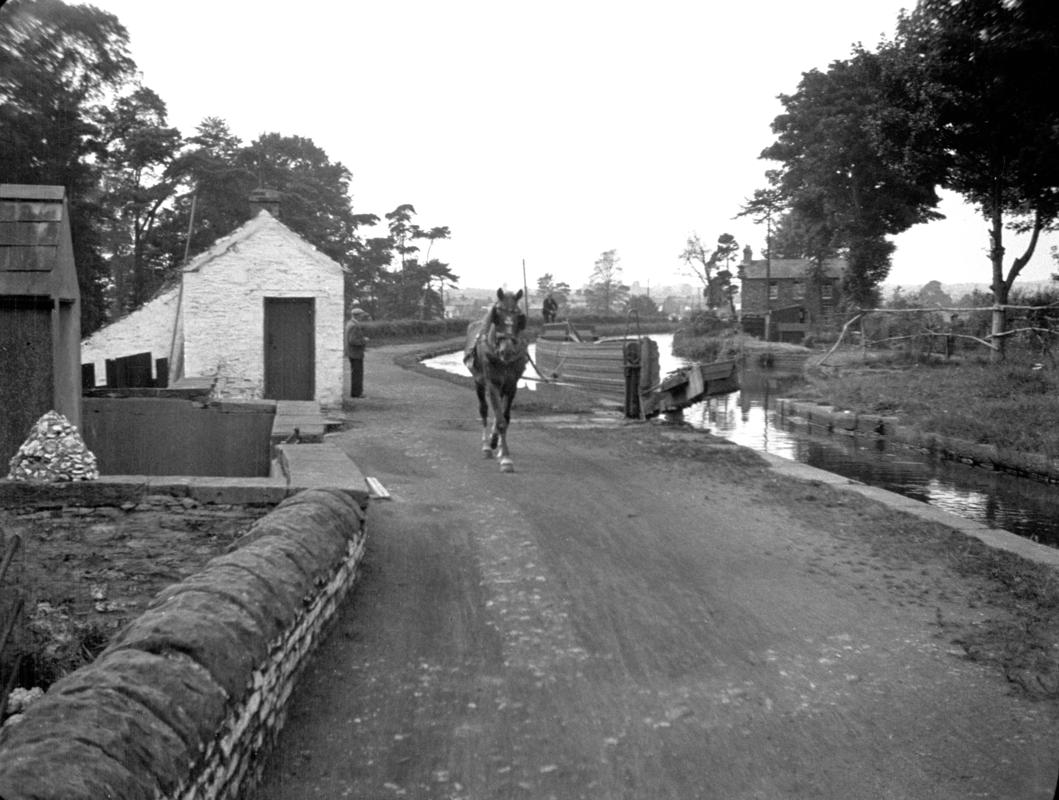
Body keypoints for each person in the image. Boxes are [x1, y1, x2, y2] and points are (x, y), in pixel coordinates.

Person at [345, 305, 368, 398]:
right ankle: (357, 393)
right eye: (362, 315)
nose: (362, 317)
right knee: (357, 374)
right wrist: (364, 340)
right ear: (357, 315)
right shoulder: (355, 326)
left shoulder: (349, 323)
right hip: (356, 353)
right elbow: (353, 340)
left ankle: (356, 392)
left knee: (355, 373)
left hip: (351, 352)